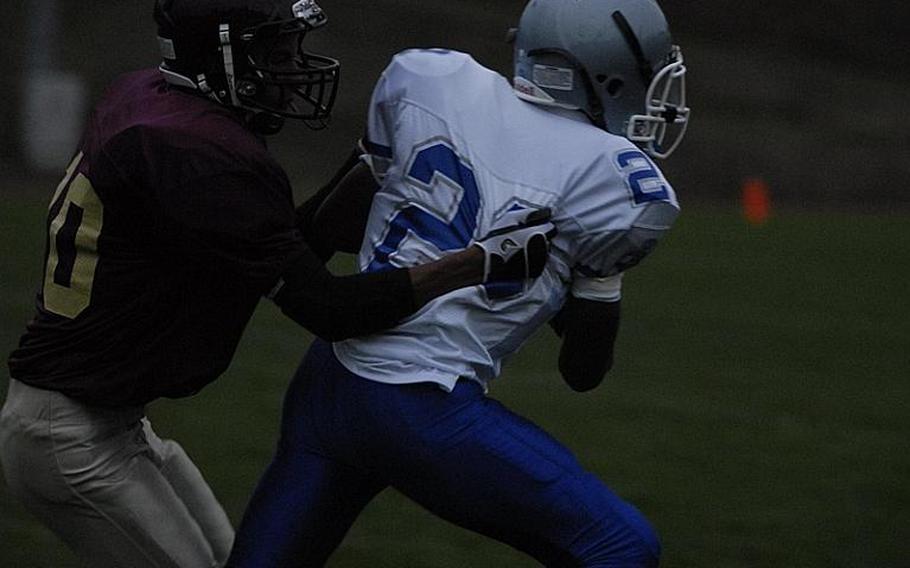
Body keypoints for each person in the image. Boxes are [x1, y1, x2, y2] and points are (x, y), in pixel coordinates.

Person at [0, 1, 555, 567]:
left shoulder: (151, 100)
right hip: (69, 437)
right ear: (217, 54)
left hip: (105, 423)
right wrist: (475, 264)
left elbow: (276, 248)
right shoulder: (195, 153)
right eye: (273, 49)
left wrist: (373, 165)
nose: (290, 64)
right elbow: (329, 308)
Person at [226, 0, 690, 566]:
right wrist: (596, 279)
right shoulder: (620, 182)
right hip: (422, 408)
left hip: (328, 382)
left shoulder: (429, 76)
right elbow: (583, 371)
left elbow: (334, 220)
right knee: (622, 546)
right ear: (608, 74)